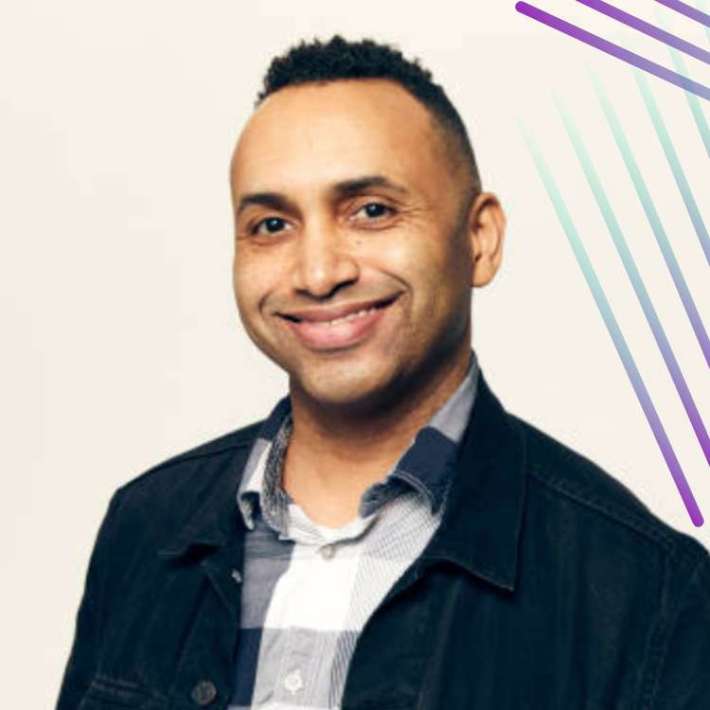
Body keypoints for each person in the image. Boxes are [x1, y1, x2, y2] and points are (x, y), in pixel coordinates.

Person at [56, 35, 709, 710]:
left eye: (371, 211)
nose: (318, 272)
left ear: (479, 238)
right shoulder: (147, 527)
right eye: (272, 224)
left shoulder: (646, 590)